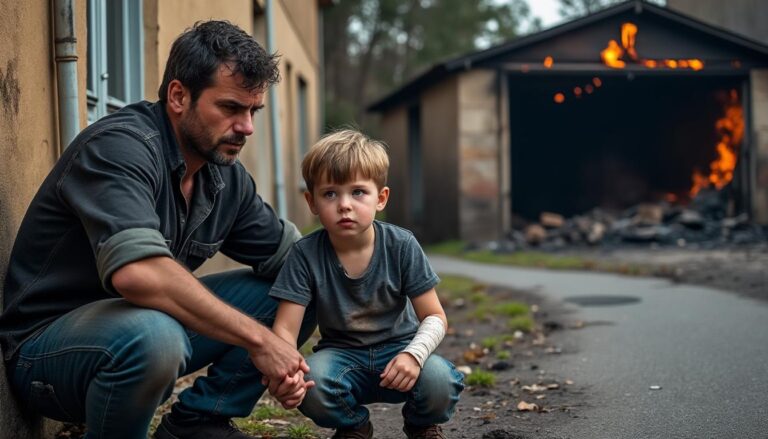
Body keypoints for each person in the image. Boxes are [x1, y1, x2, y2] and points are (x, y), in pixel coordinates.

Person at [0, 20, 315, 439]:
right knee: (156, 338)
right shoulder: (119, 148)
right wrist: (263, 342)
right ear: (179, 96)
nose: (247, 128)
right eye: (230, 108)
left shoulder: (224, 176)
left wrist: (401, 309)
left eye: (253, 111)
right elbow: (140, 274)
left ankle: (198, 422)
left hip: (141, 330)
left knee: (307, 280)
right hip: (48, 353)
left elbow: (305, 260)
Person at [269, 130, 464, 439]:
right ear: (312, 202)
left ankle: (420, 423)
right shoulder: (304, 254)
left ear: (381, 198)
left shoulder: (401, 245)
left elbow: (435, 317)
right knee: (312, 382)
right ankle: (354, 426)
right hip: (342, 358)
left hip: (401, 351)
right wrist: (285, 374)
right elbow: (284, 331)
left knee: (440, 378)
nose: (344, 204)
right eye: (330, 194)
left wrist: (414, 355)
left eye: (358, 192)